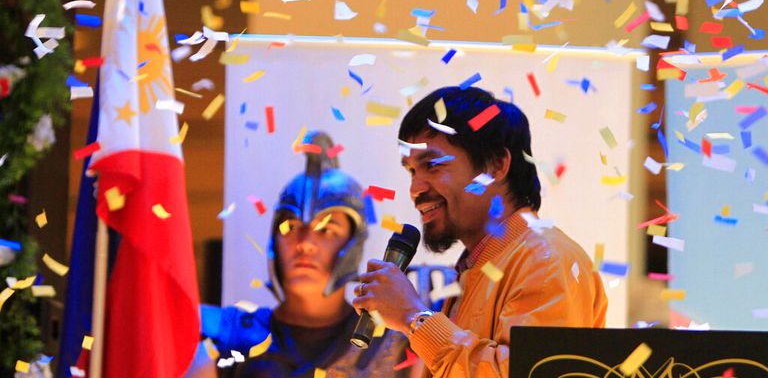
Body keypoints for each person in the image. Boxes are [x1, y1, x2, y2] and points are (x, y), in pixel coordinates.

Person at [351, 86, 608, 378]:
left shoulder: (548, 260)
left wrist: (413, 317)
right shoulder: (483, 264)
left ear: (495, 165)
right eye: (411, 171)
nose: (415, 190)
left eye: (432, 165)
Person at [187, 131, 408, 377]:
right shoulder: (226, 338)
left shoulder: (393, 346)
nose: (304, 244)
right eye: (291, 228)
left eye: (326, 230)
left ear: (352, 243)